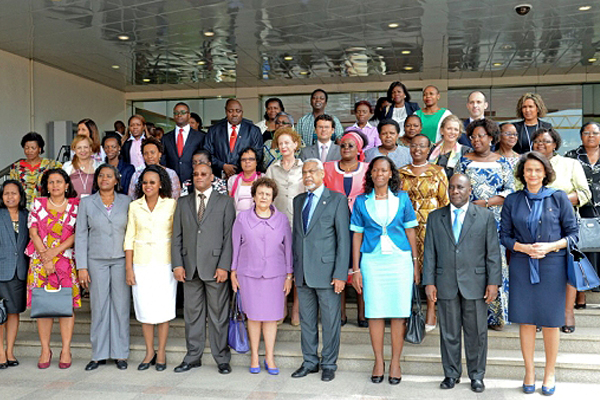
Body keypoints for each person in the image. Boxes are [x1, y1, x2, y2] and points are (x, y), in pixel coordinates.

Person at [500, 152, 579, 395]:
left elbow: (574, 235)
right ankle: (529, 372)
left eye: (537, 170)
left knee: (551, 322)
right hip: (522, 264)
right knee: (525, 320)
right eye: (528, 170)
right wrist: (522, 247)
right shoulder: (513, 200)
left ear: (545, 173)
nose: (532, 174)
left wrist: (551, 246)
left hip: (552, 265)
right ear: (522, 173)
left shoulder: (559, 198)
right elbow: (504, 236)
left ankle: (549, 373)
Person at [423, 174, 502, 393]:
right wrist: (429, 282)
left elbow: (493, 253)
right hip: (445, 282)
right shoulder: (435, 217)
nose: (455, 191)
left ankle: (477, 375)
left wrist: (493, 282)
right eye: (452, 187)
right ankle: (451, 374)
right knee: (449, 332)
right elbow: (429, 252)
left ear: (470, 190)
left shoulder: (484, 216)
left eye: (460, 187)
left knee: (476, 333)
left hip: (476, 283)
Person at [351, 156, 419, 385]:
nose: (380, 174)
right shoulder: (361, 201)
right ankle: (378, 361)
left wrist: (415, 263)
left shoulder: (402, 198)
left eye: (384, 170)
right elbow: (357, 235)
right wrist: (355, 269)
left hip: (400, 261)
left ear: (391, 174)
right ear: (370, 174)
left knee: (399, 312)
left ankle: (396, 362)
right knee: (374, 311)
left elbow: (411, 232)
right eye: (375, 170)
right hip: (372, 261)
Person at [171, 163, 236, 374]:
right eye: (196, 174)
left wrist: (224, 266)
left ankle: (221, 357)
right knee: (192, 315)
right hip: (189, 267)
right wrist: (178, 264)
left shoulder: (225, 202)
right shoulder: (182, 202)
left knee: (219, 315)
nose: (199, 177)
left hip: (216, 267)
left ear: (212, 177)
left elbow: (229, 238)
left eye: (204, 174)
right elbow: (177, 237)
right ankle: (193, 356)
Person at [291, 159, 350, 382]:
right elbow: (298, 237)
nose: (307, 176)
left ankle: (328, 363)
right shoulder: (298, 201)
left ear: (322, 173)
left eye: (312, 171)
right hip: (303, 272)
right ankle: (309, 362)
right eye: (304, 172)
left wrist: (340, 274)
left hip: (327, 272)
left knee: (330, 321)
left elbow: (343, 240)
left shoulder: (336, 199)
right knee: (306, 320)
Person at [457, 118, 515, 330]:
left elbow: (510, 190)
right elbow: (456, 188)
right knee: (471, 265)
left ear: (491, 137)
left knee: (495, 265)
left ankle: (496, 316)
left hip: (495, 221)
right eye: (473, 137)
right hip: (468, 221)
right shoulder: (463, 161)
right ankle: (472, 315)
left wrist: (487, 203)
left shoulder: (502, 162)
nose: (476, 140)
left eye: (481, 136)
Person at [531, 128, 591, 334]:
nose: (541, 144)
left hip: (564, 223)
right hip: (533, 224)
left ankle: (567, 312)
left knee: (567, 269)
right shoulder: (527, 164)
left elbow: (585, 192)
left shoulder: (570, 164)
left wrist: (557, 200)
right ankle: (540, 313)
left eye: (546, 141)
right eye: (537, 141)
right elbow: (518, 190)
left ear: (555, 144)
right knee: (538, 269)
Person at [231, 177, 293, 375]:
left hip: (276, 275)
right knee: (254, 317)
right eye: (260, 193)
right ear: (254, 196)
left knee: (271, 317)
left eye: (268, 194)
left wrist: (289, 275)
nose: (264, 197)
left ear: (273, 197)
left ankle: (270, 357)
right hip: (248, 274)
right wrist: (233, 272)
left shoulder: (282, 219)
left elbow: (288, 250)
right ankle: (255, 357)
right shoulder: (242, 218)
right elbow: (235, 247)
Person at [75, 164, 131, 371]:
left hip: (120, 260)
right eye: (101, 176)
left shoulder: (127, 201)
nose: (104, 179)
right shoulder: (87, 203)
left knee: (121, 306)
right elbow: (80, 235)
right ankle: (98, 354)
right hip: (95, 261)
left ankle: (120, 353)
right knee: (98, 307)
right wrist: (82, 266)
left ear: (117, 180)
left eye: (109, 176)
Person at [26, 168, 81, 370]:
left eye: (59, 181)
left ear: (67, 185)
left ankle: (66, 349)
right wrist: (45, 257)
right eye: (51, 182)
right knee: (44, 307)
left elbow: (77, 234)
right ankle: (45, 349)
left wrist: (55, 252)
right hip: (40, 263)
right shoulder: (38, 204)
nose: (55, 185)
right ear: (46, 185)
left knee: (66, 307)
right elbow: (33, 231)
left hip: (65, 261)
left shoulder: (76, 206)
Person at [124, 165, 177, 372]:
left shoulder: (171, 204)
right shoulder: (135, 206)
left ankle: (161, 352)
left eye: (152, 182)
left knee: (163, 308)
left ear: (161, 183)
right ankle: (149, 352)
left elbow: (176, 235)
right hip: (141, 263)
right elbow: (129, 237)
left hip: (165, 263)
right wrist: (129, 268)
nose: (148, 186)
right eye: (145, 182)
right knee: (145, 308)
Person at [399, 134, 449, 330]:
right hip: (405, 228)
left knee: (430, 266)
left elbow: (445, 203)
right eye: (413, 145)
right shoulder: (400, 173)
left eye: (422, 146)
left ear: (429, 149)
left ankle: (430, 308)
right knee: (407, 267)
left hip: (432, 226)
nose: (417, 149)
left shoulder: (438, 172)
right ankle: (405, 309)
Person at [265, 127, 304, 325]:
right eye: (280, 144)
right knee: (280, 268)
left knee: (297, 266)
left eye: (288, 142)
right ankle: (281, 307)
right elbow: (266, 196)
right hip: (277, 225)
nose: (284, 146)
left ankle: (296, 309)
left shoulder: (304, 167)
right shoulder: (272, 169)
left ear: (296, 144)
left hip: (300, 224)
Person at [565, 122, 600, 301]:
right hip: (581, 210)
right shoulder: (571, 157)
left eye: (595, 132)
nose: (591, 135)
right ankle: (581, 293)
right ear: (581, 136)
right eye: (587, 132)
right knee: (582, 250)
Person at [0, 180, 28, 369]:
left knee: (14, 312)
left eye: (14, 193)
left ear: (20, 196)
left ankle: (10, 351)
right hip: (1, 271)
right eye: (6, 193)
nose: (10, 197)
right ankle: (0, 353)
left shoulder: (27, 216)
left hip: (20, 271)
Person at [204, 98, 263, 179]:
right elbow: (207, 153)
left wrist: (235, 169)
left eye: (238, 111)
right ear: (226, 111)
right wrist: (223, 166)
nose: (234, 114)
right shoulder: (214, 130)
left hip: (245, 177)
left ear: (242, 112)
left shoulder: (253, 130)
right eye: (230, 111)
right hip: (219, 177)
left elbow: (258, 154)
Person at [9, 132, 62, 209]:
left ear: (40, 149)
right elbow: (13, 188)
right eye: (26, 148)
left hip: (46, 206)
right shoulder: (16, 167)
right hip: (22, 208)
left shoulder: (51, 165)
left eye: (33, 148)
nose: (29, 151)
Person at [161, 102, 206, 184]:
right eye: (176, 113)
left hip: (194, 181)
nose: (179, 115)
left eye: (182, 112)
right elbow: (164, 161)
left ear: (189, 115)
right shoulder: (166, 138)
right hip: (172, 182)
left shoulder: (200, 137)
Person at [62, 135, 102, 199]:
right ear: (74, 149)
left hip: (94, 206)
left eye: (85, 147)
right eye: (79, 148)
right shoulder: (67, 166)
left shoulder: (99, 166)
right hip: (72, 205)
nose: (82, 150)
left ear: (90, 148)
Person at [228, 147, 263, 214]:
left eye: (251, 159)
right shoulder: (233, 179)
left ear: (256, 162)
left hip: (258, 217)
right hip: (237, 218)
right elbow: (230, 203)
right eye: (243, 159)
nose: (247, 162)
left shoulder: (263, 178)